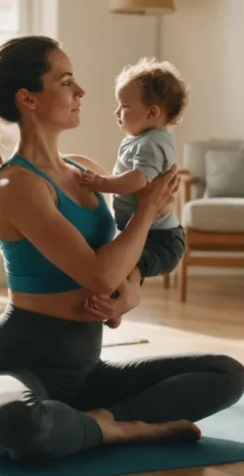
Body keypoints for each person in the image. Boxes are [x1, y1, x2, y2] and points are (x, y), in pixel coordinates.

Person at [0, 35, 244, 462]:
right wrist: (146, 210)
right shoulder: (17, 185)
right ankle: (118, 431)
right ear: (28, 98)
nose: (81, 92)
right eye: (66, 82)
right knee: (13, 420)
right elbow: (100, 274)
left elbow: (121, 266)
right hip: (18, 366)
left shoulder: (87, 170)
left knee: (226, 374)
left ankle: (100, 421)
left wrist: (133, 288)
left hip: (87, 373)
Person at [78, 57, 189, 329]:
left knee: (125, 267)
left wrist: (101, 183)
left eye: (125, 106)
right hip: (149, 232)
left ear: (152, 113)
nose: (117, 112)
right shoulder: (142, 140)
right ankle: (119, 304)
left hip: (160, 239)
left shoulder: (151, 144)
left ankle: (122, 304)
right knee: (120, 263)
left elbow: (138, 180)